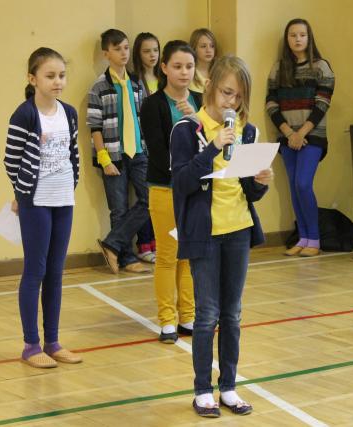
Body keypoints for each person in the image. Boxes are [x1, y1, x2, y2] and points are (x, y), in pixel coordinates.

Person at [171, 54, 273, 417]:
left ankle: (228, 386)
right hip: (205, 233)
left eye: (239, 96)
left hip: (238, 229)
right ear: (211, 86)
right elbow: (182, 182)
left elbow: (249, 191)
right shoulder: (188, 129)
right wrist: (213, 146)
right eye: (227, 92)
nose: (232, 102)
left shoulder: (248, 131)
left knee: (232, 314)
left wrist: (261, 182)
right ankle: (203, 390)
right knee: (207, 314)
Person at [4, 47, 82, 368]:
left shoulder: (69, 113)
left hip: (63, 200)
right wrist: (22, 193)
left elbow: (73, 153)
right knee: (35, 271)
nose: (57, 81)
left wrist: (70, 183)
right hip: (36, 202)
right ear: (32, 78)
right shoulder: (24, 115)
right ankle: (31, 345)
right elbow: (11, 160)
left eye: (61, 75)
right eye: (50, 76)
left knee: (55, 272)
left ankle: (52, 341)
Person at [140, 40, 202, 343]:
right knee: (168, 255)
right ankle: (167, 320)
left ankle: (188, 317)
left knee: (189, 255)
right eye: (177, 66)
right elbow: (158, 152)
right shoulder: (152, 105)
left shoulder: (201, 101)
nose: (184, 72)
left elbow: (211, 143)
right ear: (164, 68)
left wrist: (196, 119)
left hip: (196, 191)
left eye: (189, 66)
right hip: (165, 188)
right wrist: (186, 175)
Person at [266, 18, 335, 257]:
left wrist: (301, 133)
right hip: (287, 137)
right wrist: (288, 133)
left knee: (304, 184)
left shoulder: (321, 67)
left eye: (302, 35)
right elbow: (271, 103)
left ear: (309, 38)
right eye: (293, 35)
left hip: (312, 137)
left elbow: (323, 103)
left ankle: (314, 239)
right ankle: (303, 237)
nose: (297, 39)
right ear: (287, 39)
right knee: (294, 187)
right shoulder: (279, 68)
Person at [87, 29, 151, 274]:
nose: (123, 53)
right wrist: (104, 160)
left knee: (150, 199)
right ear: (106, 54)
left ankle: (111, 244)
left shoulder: (136, 83)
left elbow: (143, 118)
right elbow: (95, 127)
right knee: (119, 209)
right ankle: (126, 258)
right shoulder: (99, 87)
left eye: (126, 47)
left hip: (139, 153)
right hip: (113, 156)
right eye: (117, 49)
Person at [131, 32, 161, 263]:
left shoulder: (164, 80)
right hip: (142, 146)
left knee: (159, 196)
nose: (152, 55)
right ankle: (144, 244)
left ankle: (158, 241)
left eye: (155, 50)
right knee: (146, 197)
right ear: (138, 54)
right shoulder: (134, 82)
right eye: (146, 51)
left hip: (162, 146)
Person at [189, 28, 218, 93]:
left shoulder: (219, 72)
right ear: (194, 48)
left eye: (212, 46)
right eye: (203, 46)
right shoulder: (189, 73)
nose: (208, 50)